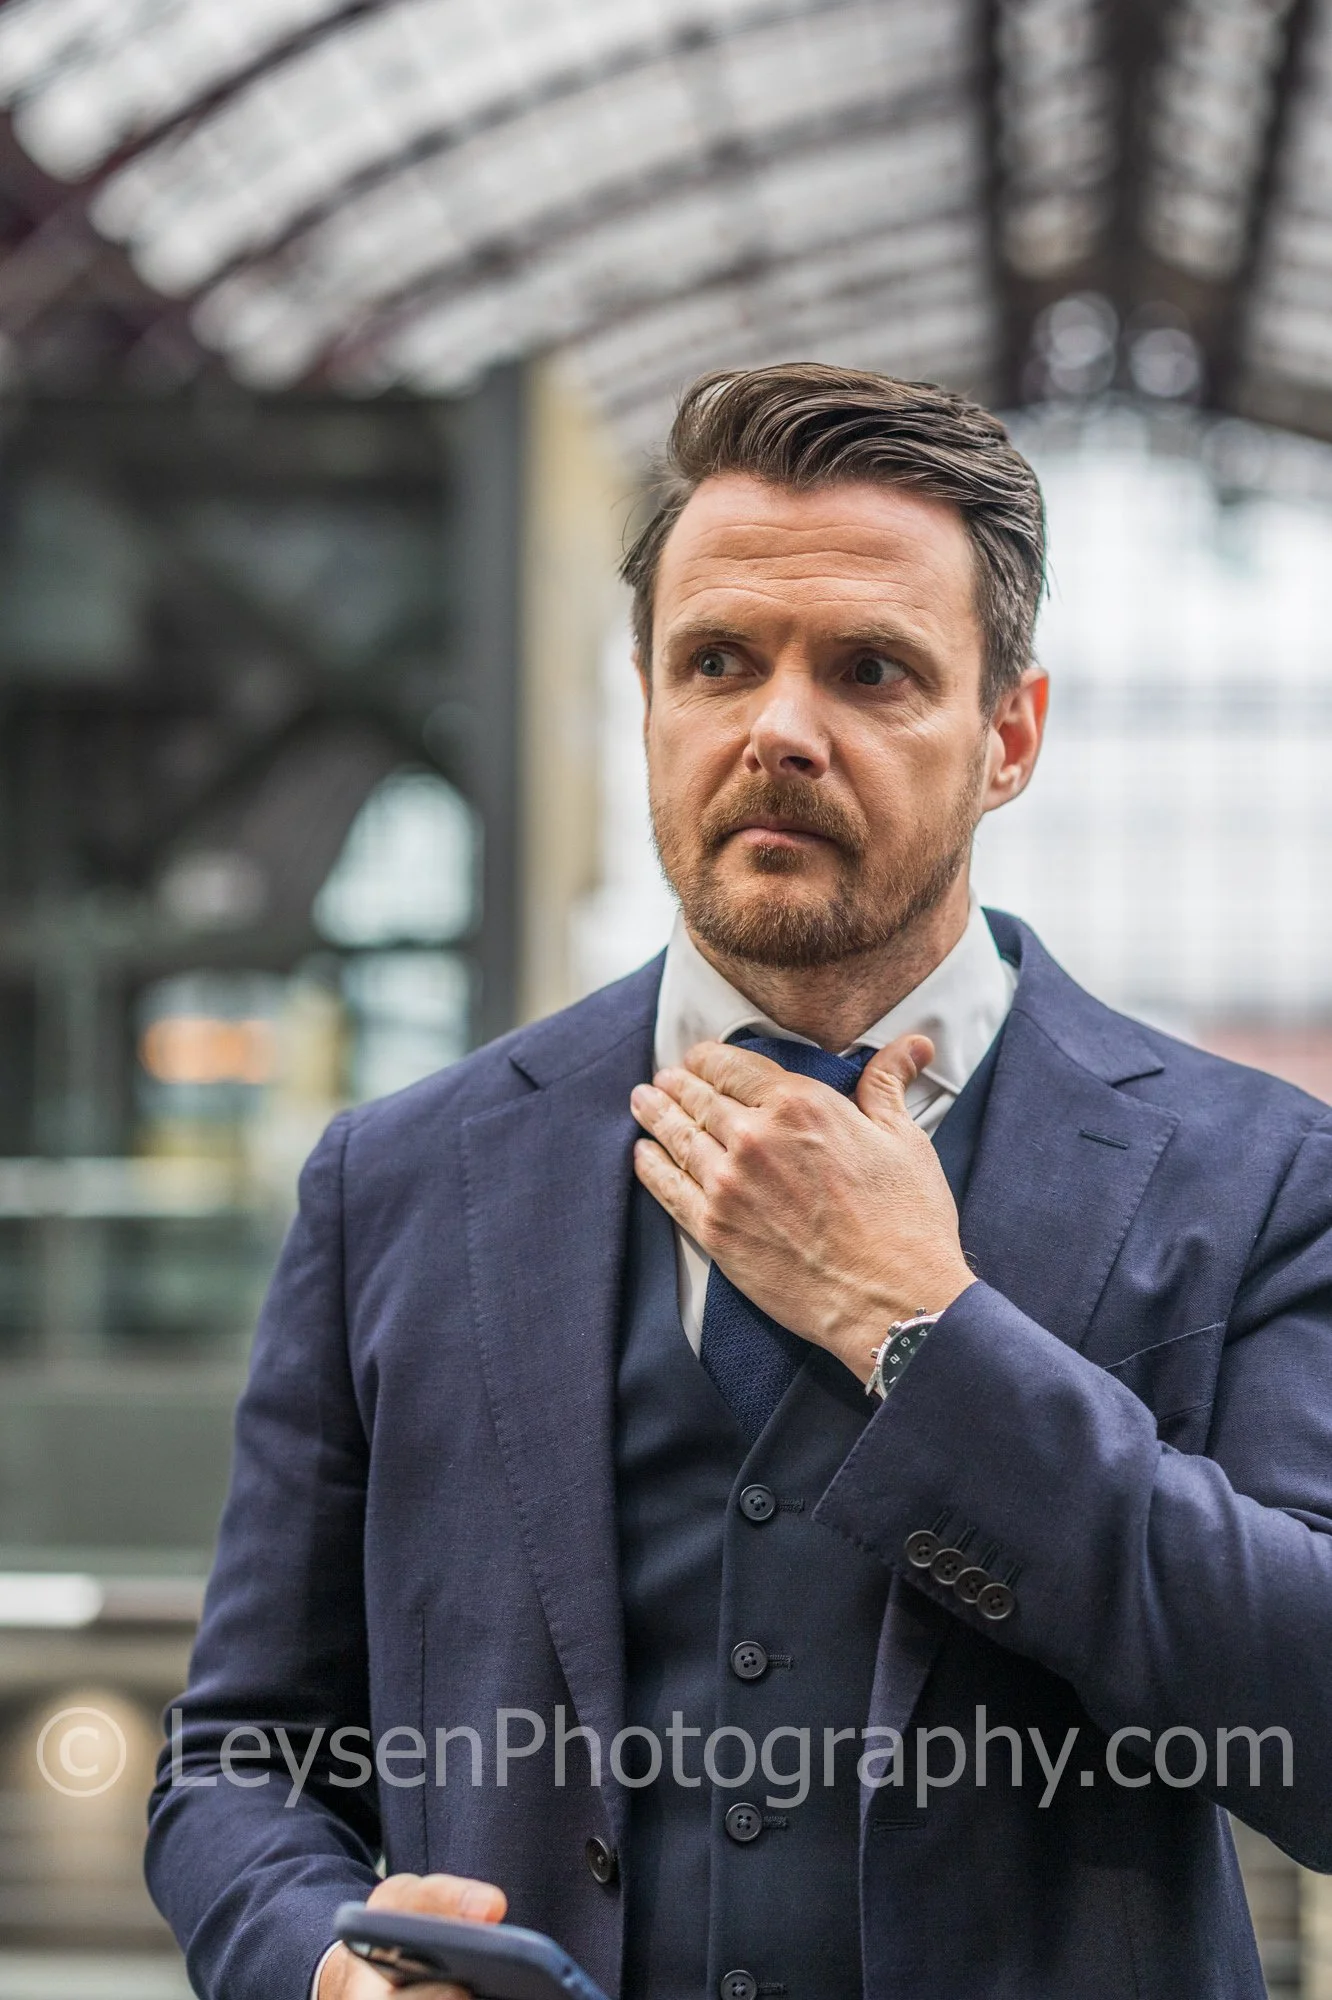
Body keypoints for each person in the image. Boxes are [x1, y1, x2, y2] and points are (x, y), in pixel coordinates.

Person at [146, 364, 1332, 2000]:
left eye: (871, 671)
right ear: (647, 701)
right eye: (718, 662)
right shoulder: (397, 1179)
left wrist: (926, 1332)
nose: (779, 727)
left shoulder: (1258, 1177)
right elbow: (241, 1758)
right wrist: (318, 1969)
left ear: (1010, 736)